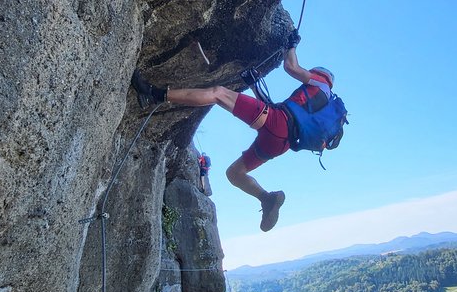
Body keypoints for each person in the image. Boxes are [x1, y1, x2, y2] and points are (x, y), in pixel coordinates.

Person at [131, 31, 334, 232]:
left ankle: (153, 94)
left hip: (277, 123)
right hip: (282, 143)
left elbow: (291, 67)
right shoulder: (321, 105)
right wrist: (254, 86)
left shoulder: (321, 82)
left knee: (218, 93)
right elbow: (277, 114)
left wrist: (292, 46)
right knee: (234, 173)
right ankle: (266, 198)